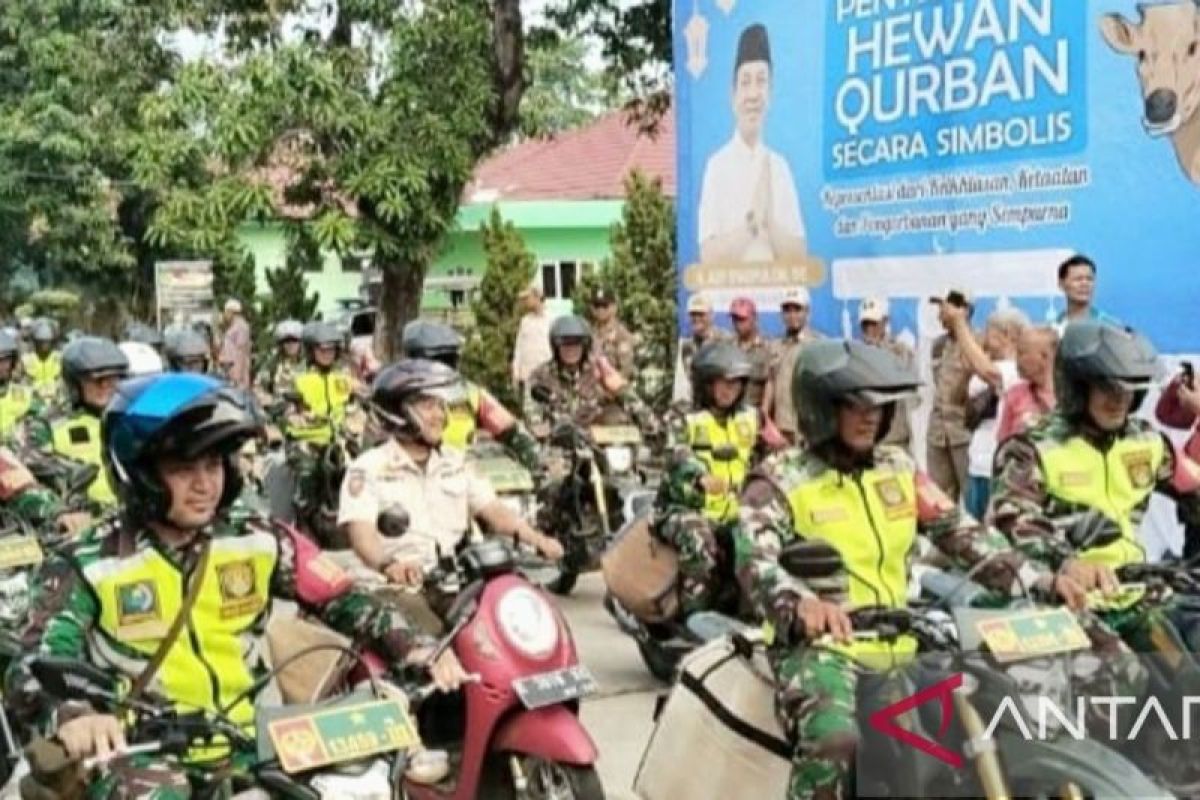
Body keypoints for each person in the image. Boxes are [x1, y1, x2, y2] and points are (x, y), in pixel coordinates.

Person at [8, 373, 465, 798]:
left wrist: (416, 646)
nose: (205, 484)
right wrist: (76, 715)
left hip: (253, 742)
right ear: (139, 470)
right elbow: (35, 664)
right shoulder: (87, 561)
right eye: (184, 467)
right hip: (139, 753)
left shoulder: (258, 537)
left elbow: (343, 596)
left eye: (213, 464)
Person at [734, 339, 1093, 800]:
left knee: (980, 719)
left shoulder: (898, 469)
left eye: (880, 406)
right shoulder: (782, 477)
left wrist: (1039, 578)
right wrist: (801, 603)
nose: (871, 416)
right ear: (822, 408)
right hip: (822, 646)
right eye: (855, 404)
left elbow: (961, 531)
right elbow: (754, 557)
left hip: (902, 634)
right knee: (833, 739)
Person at [337, 360, 562, 607]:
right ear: (398, 412)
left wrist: (539, 540)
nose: (439, 416)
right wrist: (389, 566)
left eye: (441, 406)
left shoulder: (457, 462)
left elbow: (495, 511)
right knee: (434, 644)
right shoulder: (367, 469)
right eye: (427, 406)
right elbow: (362, 536)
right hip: (392, 592)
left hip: (453, 586)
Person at [991, 320, 1200, 565]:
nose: (1120, 400)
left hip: (1134, 583)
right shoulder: (1032, 449)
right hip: (1061, 591)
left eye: (1128, 389)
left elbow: (1194, 486)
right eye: (1107, 388)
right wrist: (1067, 564)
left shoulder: (1148, 443)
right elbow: (1014, 525)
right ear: (1078, 388)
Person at [659, 341, 763, 615]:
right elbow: (677, 452)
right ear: (705, 384)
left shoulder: (752, 418)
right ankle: (693, 618)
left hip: (735, 509)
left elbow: (776, 453)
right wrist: (700, 475)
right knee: (700, 541)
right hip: (684, 507)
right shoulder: (683, 416)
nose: (729, 389)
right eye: (721, 382)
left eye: (735, 383)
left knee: (765, 543)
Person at [698, 23, 806, 265]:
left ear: (771, 91)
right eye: (745, 82)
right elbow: (708, 256)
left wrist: (769, 221)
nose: (753, 94)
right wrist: (752, 223)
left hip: (779, 301)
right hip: (727, 300)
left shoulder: (779, 167)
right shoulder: (717, 167)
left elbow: (799, 257)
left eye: (761, 81)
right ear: (733, 94)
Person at [401, 320, 539, 471]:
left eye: (448, 360)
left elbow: (511, 431)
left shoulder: (470, 393)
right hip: (412, 477)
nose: (443, 367)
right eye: (437, 360)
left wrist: (538, 465)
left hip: (461, 477)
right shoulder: (398, 398)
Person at [17, 337, 128, 509]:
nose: (107, 386)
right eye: (98, 380)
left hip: (136, 517)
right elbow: (30, 472)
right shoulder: (47, 424)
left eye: (113, 378)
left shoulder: (133, 417)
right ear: (74, 382)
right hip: (81, 521)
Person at [942, 306, 1027, 519]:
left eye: (989, 331)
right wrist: (969, 368)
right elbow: (957, 400)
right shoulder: (986, 368)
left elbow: (992, 374)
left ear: (1007, 334)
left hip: (999, 470)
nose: (984, 338)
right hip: (977, 464)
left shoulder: (1017, 370)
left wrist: (959, 324)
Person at [285, 321, 362, 543]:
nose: (327, 354)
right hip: (308, 440)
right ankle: (303, 526)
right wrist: (299, 416)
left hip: (340, 438)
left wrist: (357, 412)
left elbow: (358, 400)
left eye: (331, 349)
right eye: (322, 349)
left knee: (364, 468)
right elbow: (284, 409)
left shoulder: (343, 377)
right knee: (308, 472)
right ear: (311, 350)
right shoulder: (297, 377)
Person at [524, 315, 652, 437]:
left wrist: (621, 390)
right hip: (559, 446)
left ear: (585, 347)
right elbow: (532, 416)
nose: (571, 350)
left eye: (576, 345)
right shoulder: (539, 377)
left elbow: (638, 410)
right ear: (556, 347)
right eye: (565, 345)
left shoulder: (599, 372)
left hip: (599, 445)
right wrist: (547, 429)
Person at [926, 288, 976, 503]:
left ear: (963, 310)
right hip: (938, 435)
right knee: (939, 500)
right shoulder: (938, 345)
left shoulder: (978, 342)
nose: (940, 315)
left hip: (965, 434)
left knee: (973, 498)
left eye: (945, 308)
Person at [763, 288, 821, 445]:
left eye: (797, 309)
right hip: (780, 426)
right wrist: (765, 416)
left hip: (806, 427)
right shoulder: (774, 345)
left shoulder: (818, 344)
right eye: (787, 310)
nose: (792, 315)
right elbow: (770, 381)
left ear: (807, 312)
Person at [856, 297, 915, 452]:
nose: (869, 330)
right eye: (865, 325)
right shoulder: (855, 354)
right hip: (867, 434)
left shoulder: (900, 350)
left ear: (885, 322)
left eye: (874, 324)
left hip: (895, 436)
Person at [997, 325, 1058, 442]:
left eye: (1021, 353)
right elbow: (1003, 443)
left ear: (1044, 356)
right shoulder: (1014, 395)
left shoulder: (1072, 397)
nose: (1016, 360)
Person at [672, 293, 728, 405]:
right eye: (693, 314)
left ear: (711, 316)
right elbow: (689, 380)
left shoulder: (725, 341)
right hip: (698, 405)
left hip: (722, 405)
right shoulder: (687, 346)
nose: (697, 318)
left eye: (701, 314)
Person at [729, 297, 774, 410]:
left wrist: (764, 412)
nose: (737, 324)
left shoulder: (768, 347)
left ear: (754, 318)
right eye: (735, 319)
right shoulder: (727, 346)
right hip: (731, 413)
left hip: (755, 413)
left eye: (742, 319)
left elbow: (770, 383)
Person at [1055, 254, 1121, 330]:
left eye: (1089, 279)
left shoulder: (1110, 327)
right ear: (1061, 284)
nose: (1085, 284)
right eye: (1078, 279)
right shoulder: (1054, 327)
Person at [511, 285, 553, 399]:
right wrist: (515, 371)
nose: (525, 302)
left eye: (527, 298)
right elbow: (519, 349)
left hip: (547, 378)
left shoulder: (552, 320)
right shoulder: (525, 321)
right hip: (528, 377)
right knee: (530, 414)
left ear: (537, 297)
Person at [589, 288, 637, 380]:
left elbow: (625, 372)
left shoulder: (621, 335)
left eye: (605, 305)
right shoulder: (589, 333)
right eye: (597, 305)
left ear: (614, 307)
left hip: (612, 390)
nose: (600, 309)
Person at [0, 330, 39, 441]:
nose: (4, 366)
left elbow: (46, 416)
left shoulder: (25, 393)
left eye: (7, 359)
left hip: (17, 454)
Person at [255, 319, 305, 404]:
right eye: (286, 341)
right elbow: (258, 386)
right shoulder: (273, 364)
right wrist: (265, 398)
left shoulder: (309, 364)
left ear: (300, 343)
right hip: (280, 408)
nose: (291, 344)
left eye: (294, 340)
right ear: (281, 344)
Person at [23, 318, 61, 402]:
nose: (45, 345)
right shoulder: (26, 359)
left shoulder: (59, 358)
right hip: (33, 401)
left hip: (57, 401)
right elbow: (22, 383)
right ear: (35, 342)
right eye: (41, 342)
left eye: (47, 342)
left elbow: (63, 382)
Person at [219, 298, 252, 389]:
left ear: (231, 312)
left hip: (237, 376)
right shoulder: (232, 327)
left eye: (226, 312)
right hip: (230, 373)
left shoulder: (241, 327)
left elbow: (240, 353)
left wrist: (237, 377)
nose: (224, 315)